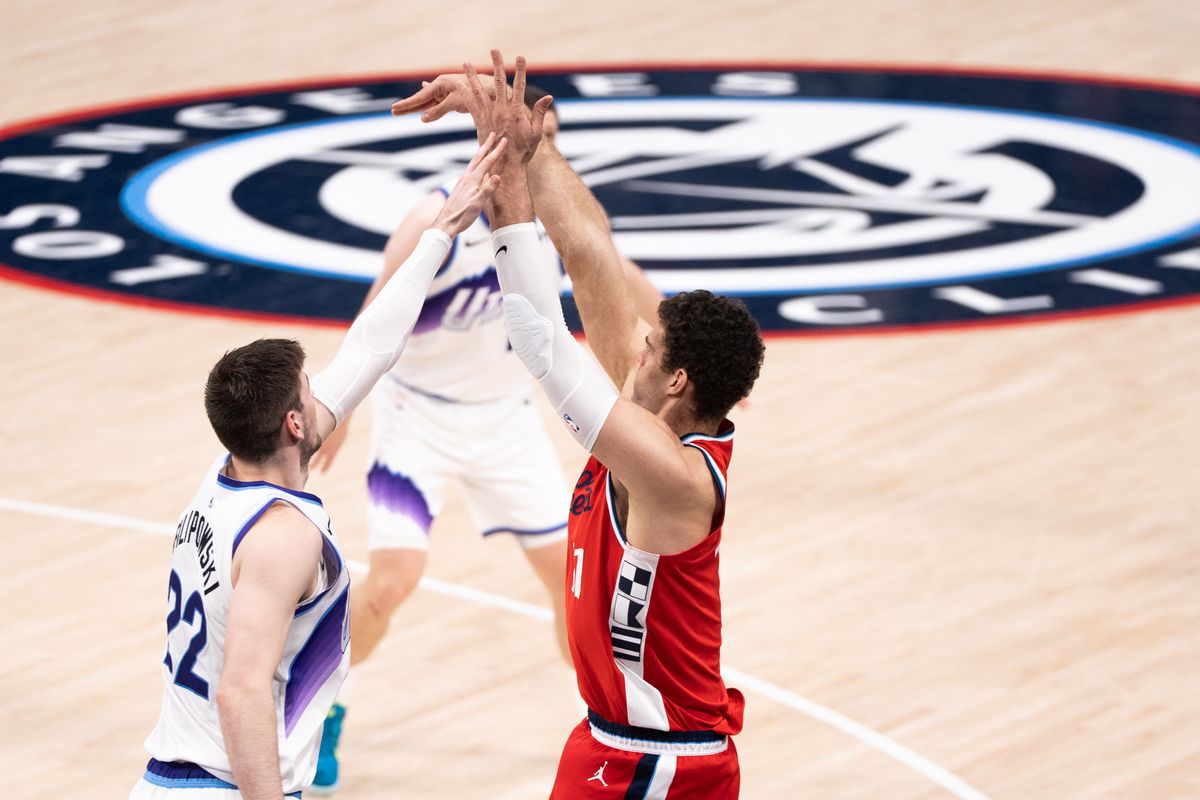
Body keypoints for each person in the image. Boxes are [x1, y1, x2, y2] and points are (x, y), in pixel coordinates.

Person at [395, 52, 764, 798]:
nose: (633, 349)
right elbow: (592, 250)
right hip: (610, 741)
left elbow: (540, 342)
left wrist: (509, 197)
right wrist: (524, 140)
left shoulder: (672, 476)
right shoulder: (651, 405)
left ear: (679, 381)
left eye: (650, 346)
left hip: (664, 762)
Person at [128, 135, 507, 800]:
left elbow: (370, 348)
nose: (324, 390)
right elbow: (241, 690)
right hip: (221, 787)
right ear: (295, 425)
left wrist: (442, 231)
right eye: (311, 389)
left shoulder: (225, 474)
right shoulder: (281, 534)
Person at [307, 86, 661, 791]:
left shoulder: (558, 221)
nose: (541, 151)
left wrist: (699, 347)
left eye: (550, 139)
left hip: (506, 421)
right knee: (393, 581)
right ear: (491, 140)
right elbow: (375, 319)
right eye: (530, 137)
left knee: (573, 585)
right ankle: (318, 706)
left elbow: (625, 281)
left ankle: (601, 724)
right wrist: (337, 409)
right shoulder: (432, 217)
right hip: (419, 417)